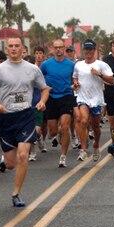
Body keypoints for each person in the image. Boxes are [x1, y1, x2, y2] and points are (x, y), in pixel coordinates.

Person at [0, 37, 50, 207]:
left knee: (23, 155)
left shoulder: (32, 69)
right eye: (10, 46)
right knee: (10, 164)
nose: (13, 49)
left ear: (23, 49)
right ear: (7, 49)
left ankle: (16, 193)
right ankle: (6, 161)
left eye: (17, 46)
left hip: (25, 115)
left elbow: (44, 89)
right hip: (6, 118)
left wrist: (42, 101)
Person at [72, 39, 114, 161]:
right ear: (83, 50)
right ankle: (83, 150)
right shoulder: (78, 65)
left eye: (90, 49)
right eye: (86, 49)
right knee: (83, 120)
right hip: (82, 98)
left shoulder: (101, 65)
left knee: (96, 127)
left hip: (96, 100)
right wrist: (75, 84)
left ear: (94, 51)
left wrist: (99, 74)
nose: (88, 52)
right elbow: (75, 78)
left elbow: (112, 80)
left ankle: (96, 145)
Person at [40, 39, 76, 168]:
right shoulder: (46, 64)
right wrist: (44, 88)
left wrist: (75, 84)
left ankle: (63, 157)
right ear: (53, 49)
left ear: (64, 48)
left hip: (66, 96)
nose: (58, 50)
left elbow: (75, 79)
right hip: (51, 98)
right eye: (56, 47)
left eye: (61, 47)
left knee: (65, 126)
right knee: (53, 131)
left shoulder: (71, 65)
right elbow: (39, 78)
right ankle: (58, 134)